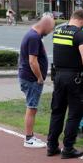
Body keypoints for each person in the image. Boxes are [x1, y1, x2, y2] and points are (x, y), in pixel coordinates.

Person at [46, 9, 83, 159]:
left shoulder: (58, 32)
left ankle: (52, 146)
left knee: (57, 112)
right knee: (75, 113)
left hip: (58, 77)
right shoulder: (80, 34)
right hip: (74, 79)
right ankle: (68, 148)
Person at [18, 13, 55, 148]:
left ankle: (31, 136)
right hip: (32, 79)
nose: (50, 32)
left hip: (28, 77)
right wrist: (39, 78)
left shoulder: (33, 35)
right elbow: (32, 61)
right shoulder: (34, 37)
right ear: (45, 25)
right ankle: (28, 139)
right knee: (32, 107)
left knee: (32, 107)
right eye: (50, 29)